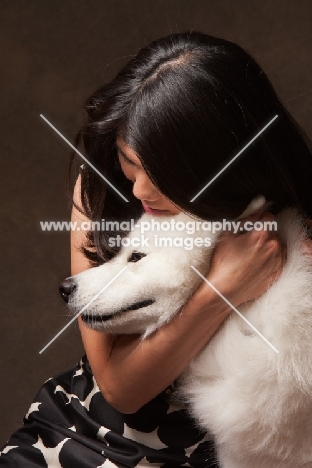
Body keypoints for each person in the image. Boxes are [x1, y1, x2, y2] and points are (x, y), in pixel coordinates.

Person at [1, 31, 312, 468]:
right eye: (130, 161)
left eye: (162, 172)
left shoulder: (296, 226)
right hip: (87, 435)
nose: (140, 188)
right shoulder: (100, 191)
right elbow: (120, 389)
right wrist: (221, 288)